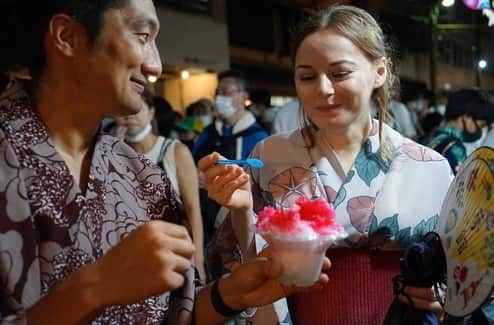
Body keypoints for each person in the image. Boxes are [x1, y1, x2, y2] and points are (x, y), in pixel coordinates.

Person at [0, 1, 331, 324]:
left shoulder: (142, 175)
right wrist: (95, 286)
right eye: (143, 36)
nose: (156, 66)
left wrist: (229, 295)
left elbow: (177, 312)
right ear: (66, 36)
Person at [199, 5, 454, 325]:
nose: (322, 89)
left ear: (380, 71)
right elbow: (243, 269)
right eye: (307, 76)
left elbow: (462, 270)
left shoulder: (429, 166)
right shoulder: (270, 154)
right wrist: (241, 211)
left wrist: (444, 292)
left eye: (340, 73)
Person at [115, 88, 207, 281]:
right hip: (130, 256)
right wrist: (114, 148)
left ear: (151, 112)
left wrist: (198, 257)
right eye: (123, 110)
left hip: (173, 252)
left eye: (136, 108)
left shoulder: (174, 151)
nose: (130, 116)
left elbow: (192, 208)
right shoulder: (111, 153)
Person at [192, 70, 269, 261]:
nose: (220, 98)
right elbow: (192, 164)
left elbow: (263, 182)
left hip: (238, 222)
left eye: (226, 92)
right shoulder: (208, 133)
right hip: (204, 217)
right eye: (217, 92)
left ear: (243, 97)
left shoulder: (259, 137)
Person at [426, 88, 488, 173]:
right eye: (481, 125)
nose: (481, 130)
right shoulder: (455, 148)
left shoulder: (434, 137)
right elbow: (463, 184)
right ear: (467, 117)